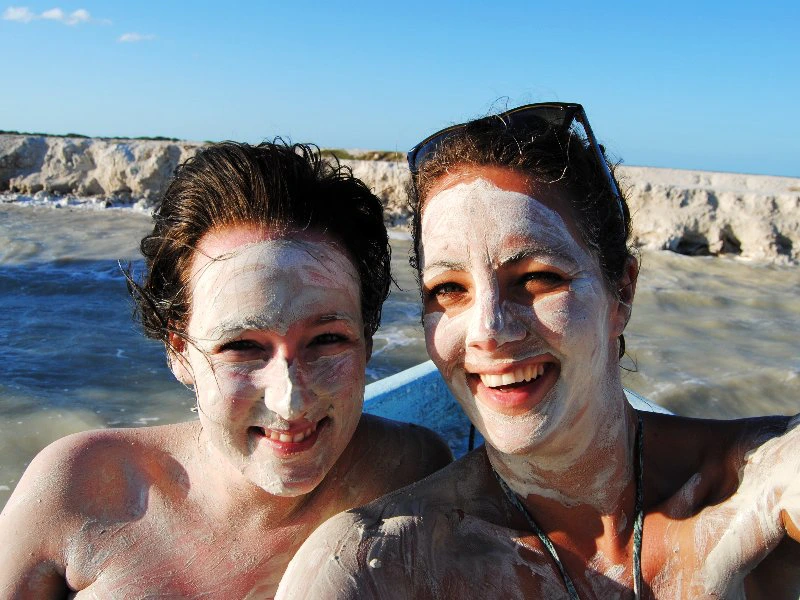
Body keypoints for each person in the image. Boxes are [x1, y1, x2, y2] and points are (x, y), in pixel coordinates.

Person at [277, 104, 800, 598]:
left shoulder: (761, 483)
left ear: (622, 293)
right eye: (449, 290)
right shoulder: (377, 565)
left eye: (537, 278)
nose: (489, 331)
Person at [0, 141, 451, 598]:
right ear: (179, 351)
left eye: (328, 339)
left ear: (367, 343)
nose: (290, 399)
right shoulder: (78, 488)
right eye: (241, 347)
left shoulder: (413, 471)